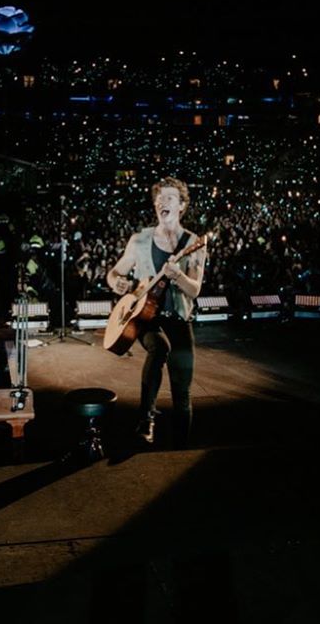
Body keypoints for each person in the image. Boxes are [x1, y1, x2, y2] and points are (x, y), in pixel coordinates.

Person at [106, 178, 206, 447]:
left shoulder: (195, 242)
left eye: (170, 198)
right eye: (159, 198)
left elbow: (195, 289)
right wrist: (117, 282)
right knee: (159, 347)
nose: (162, 202)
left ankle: (180, 448)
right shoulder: (140, 240)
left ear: (182, 205)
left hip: (179, 320)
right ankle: (145, 419)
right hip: (147, 318)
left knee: (182, 392)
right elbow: (114, 272)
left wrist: (179, 276)